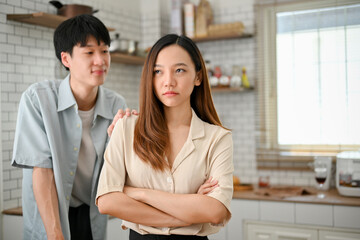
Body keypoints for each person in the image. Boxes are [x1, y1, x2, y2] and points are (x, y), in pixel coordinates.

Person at [96, 34, 234, 239]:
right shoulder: (125, 128)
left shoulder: (217, 138)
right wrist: (187, 214)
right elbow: (107, 202)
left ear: (198, 77)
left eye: (179, 70)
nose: (168, 82)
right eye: (158, 72)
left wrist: (138, 193)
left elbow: (215, 211)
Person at [11, 14, 130, 240]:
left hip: (92, 213)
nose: (100, 60)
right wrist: (55, 233)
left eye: (105, 51)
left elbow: (121, 171)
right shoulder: (38, 99)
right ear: (66, 59)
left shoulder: (117, 105)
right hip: (50, 214)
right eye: (89, 52)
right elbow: (42, 171)